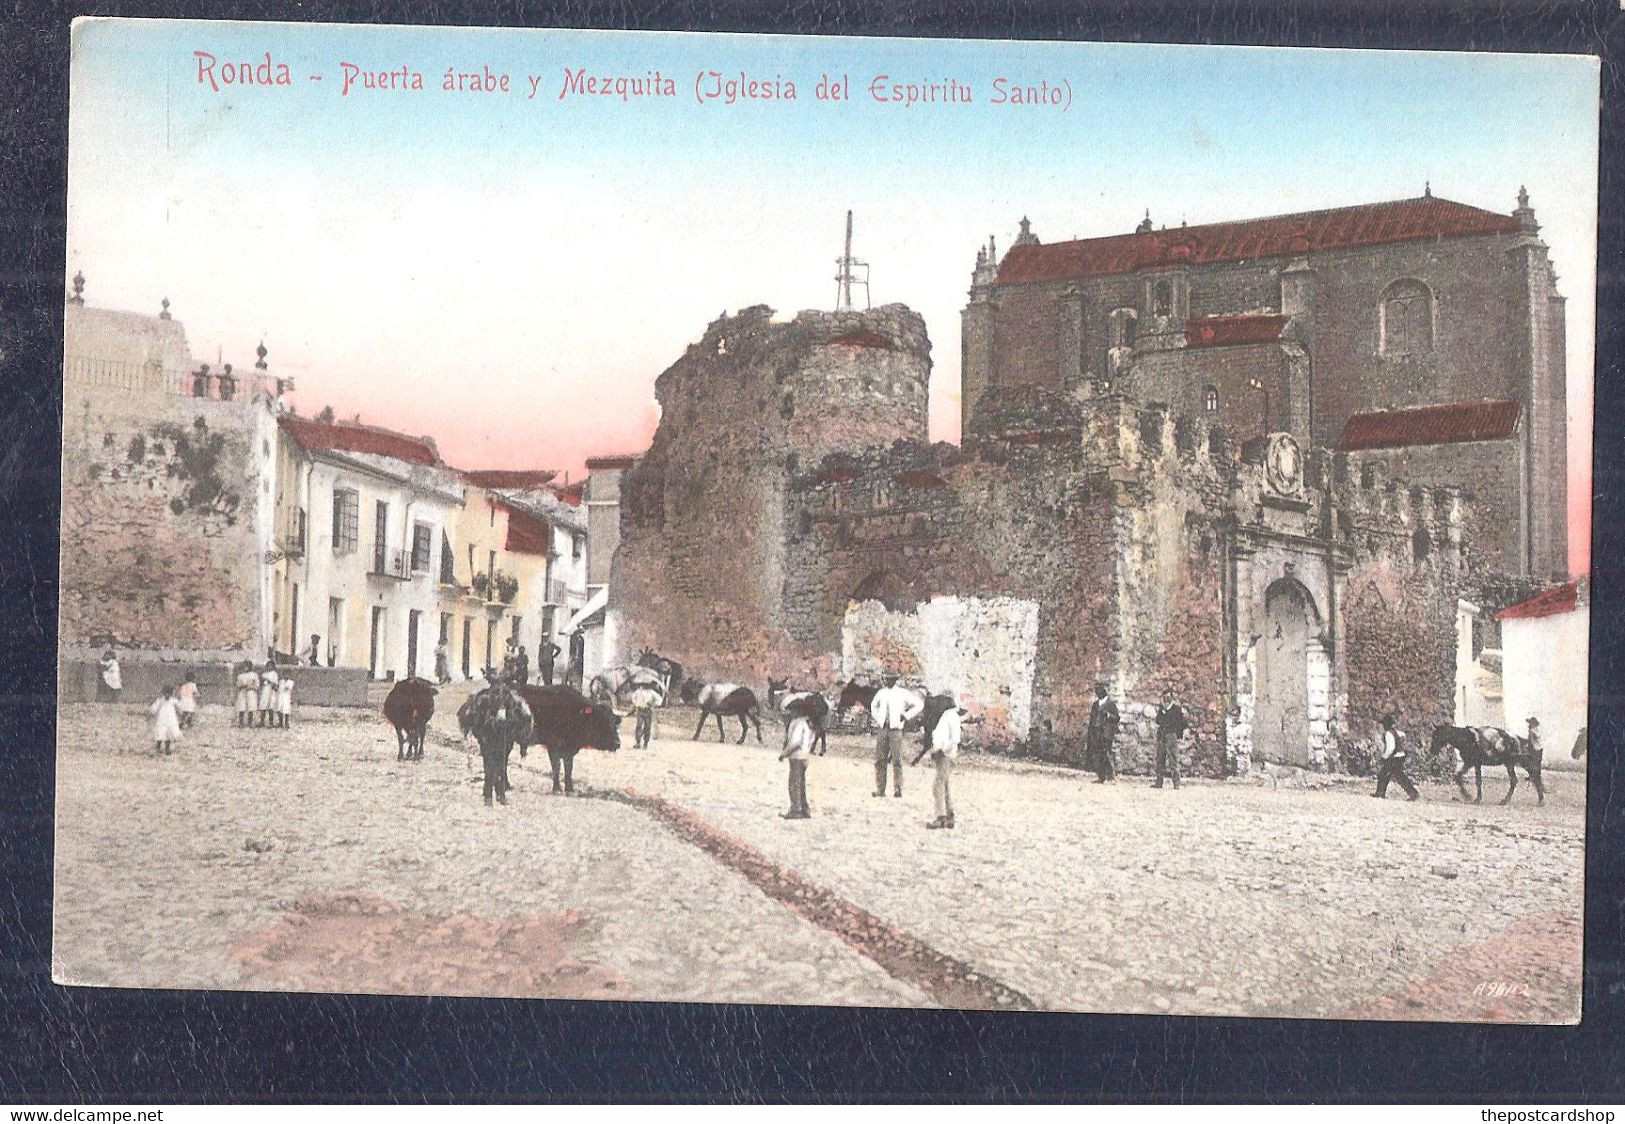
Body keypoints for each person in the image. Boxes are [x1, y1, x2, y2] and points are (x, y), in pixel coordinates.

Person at [869, 673, 924, 798]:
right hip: (883, 728)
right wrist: (879, 718)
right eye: (887, 679)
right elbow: (873, 706)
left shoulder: (902, 693)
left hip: (896, 729)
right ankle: (880, 789)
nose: (888, 682)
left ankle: (898, 789)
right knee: (880, 759)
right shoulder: (881, 693)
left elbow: (919, 704)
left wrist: (906, 715)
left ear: (895, 680)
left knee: (897, 760)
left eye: (891, 679)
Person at [913, 702, 964, 829]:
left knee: (938, 785)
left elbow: (955, 739)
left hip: (946, 755)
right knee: (944, 785)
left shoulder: (951, 715)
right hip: (944, 754)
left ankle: (941, 817)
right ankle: (949, 815)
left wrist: (942, 750)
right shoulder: (947, 715)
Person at [1373, 712, 1420, 800]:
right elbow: (1402, 736)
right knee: (1390, 774)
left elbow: (1391, 748)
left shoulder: (1388, 734)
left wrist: (1384, 757)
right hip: (1400, 756)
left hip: (1394, 757)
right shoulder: (1396, 732)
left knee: (1390, 775)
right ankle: (1380, 792)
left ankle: (1412, 793)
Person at [779, 714, 815, 819]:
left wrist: (784, 754)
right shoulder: (806, 722)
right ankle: (804, 808)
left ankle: (796, 809)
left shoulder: (797, 723)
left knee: (794, 783)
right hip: (804, 756)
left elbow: (796, 743)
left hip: (797, 757)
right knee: (801, 783)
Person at [1085, 682, 1121, 783]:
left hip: (1106, 733)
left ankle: (1111, 777)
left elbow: (1117, 718)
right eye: (1096, 691)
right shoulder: (1095, 704)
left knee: (1106, 754)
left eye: (1099, 690)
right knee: (1097, 755)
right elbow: (1092, 720)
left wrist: (1109, 715)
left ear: (1104, 691)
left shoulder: (1110, 704)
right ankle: (1101, 777)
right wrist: (1091, 732)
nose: (1097, 693)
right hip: (1096, 732)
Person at [1153, 689, 1188, 789]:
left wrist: (1177, 734)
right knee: (1160, 759)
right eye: (1164, 697)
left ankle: (1176, 783)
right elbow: (1158, 721)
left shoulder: (1176, 709)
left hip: (1171, 736)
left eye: (1168, 697)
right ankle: (1159, 782)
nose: (1166, 699)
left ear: (1172, 698)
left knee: (1173, 760)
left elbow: (1183, 723)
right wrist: (1163, 712)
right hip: (1162, 736)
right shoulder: (1162, 709)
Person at [148, 685, 182, 754]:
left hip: (170, 719)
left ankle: (167, 749)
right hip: (163, 719)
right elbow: (154, 708)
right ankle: (158, 748)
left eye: (168, 694)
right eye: (166, 693)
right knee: (160, 734)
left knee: (168, 735)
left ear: (171, 693)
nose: (167, 695)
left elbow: (179, 708)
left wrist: (180, 713)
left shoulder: (172, 700)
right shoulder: (161, 700)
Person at [629, 683, 661, 748]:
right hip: (640, 710)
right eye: (643, 684)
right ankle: (638, 742)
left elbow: (659, 700)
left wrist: (653, 703)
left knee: (647, 727)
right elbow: (633, 697)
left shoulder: (651, 692)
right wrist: (636, 703)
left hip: (648, 710)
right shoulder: (638, 691)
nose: (644, 686)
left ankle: (645, 743)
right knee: (639, 726)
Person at [234, 661, 260, 727]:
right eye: (244, 666)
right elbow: (238, 685)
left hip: (251, 692)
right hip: (242, 692)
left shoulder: (254, 675)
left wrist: (251, 686)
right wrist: (242, 686)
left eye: (247, 666)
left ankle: (250, 722)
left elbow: (257, 685)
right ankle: (241, 722)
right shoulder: (240, 676)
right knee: (241, 707)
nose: (245, 667)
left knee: (251, 707)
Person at [257, 660, 280, 728]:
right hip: (265, 691)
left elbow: (275, 684)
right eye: (268, 665)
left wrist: (268, 680)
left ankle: (271, 722)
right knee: (263, 706)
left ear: (273, 667)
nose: (269, 667)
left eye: (271, 666)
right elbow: (261, 684)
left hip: (271, 691)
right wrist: (262, 679)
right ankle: (262, 721)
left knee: (270, 707)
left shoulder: (274, 674)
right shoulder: (264, 674)